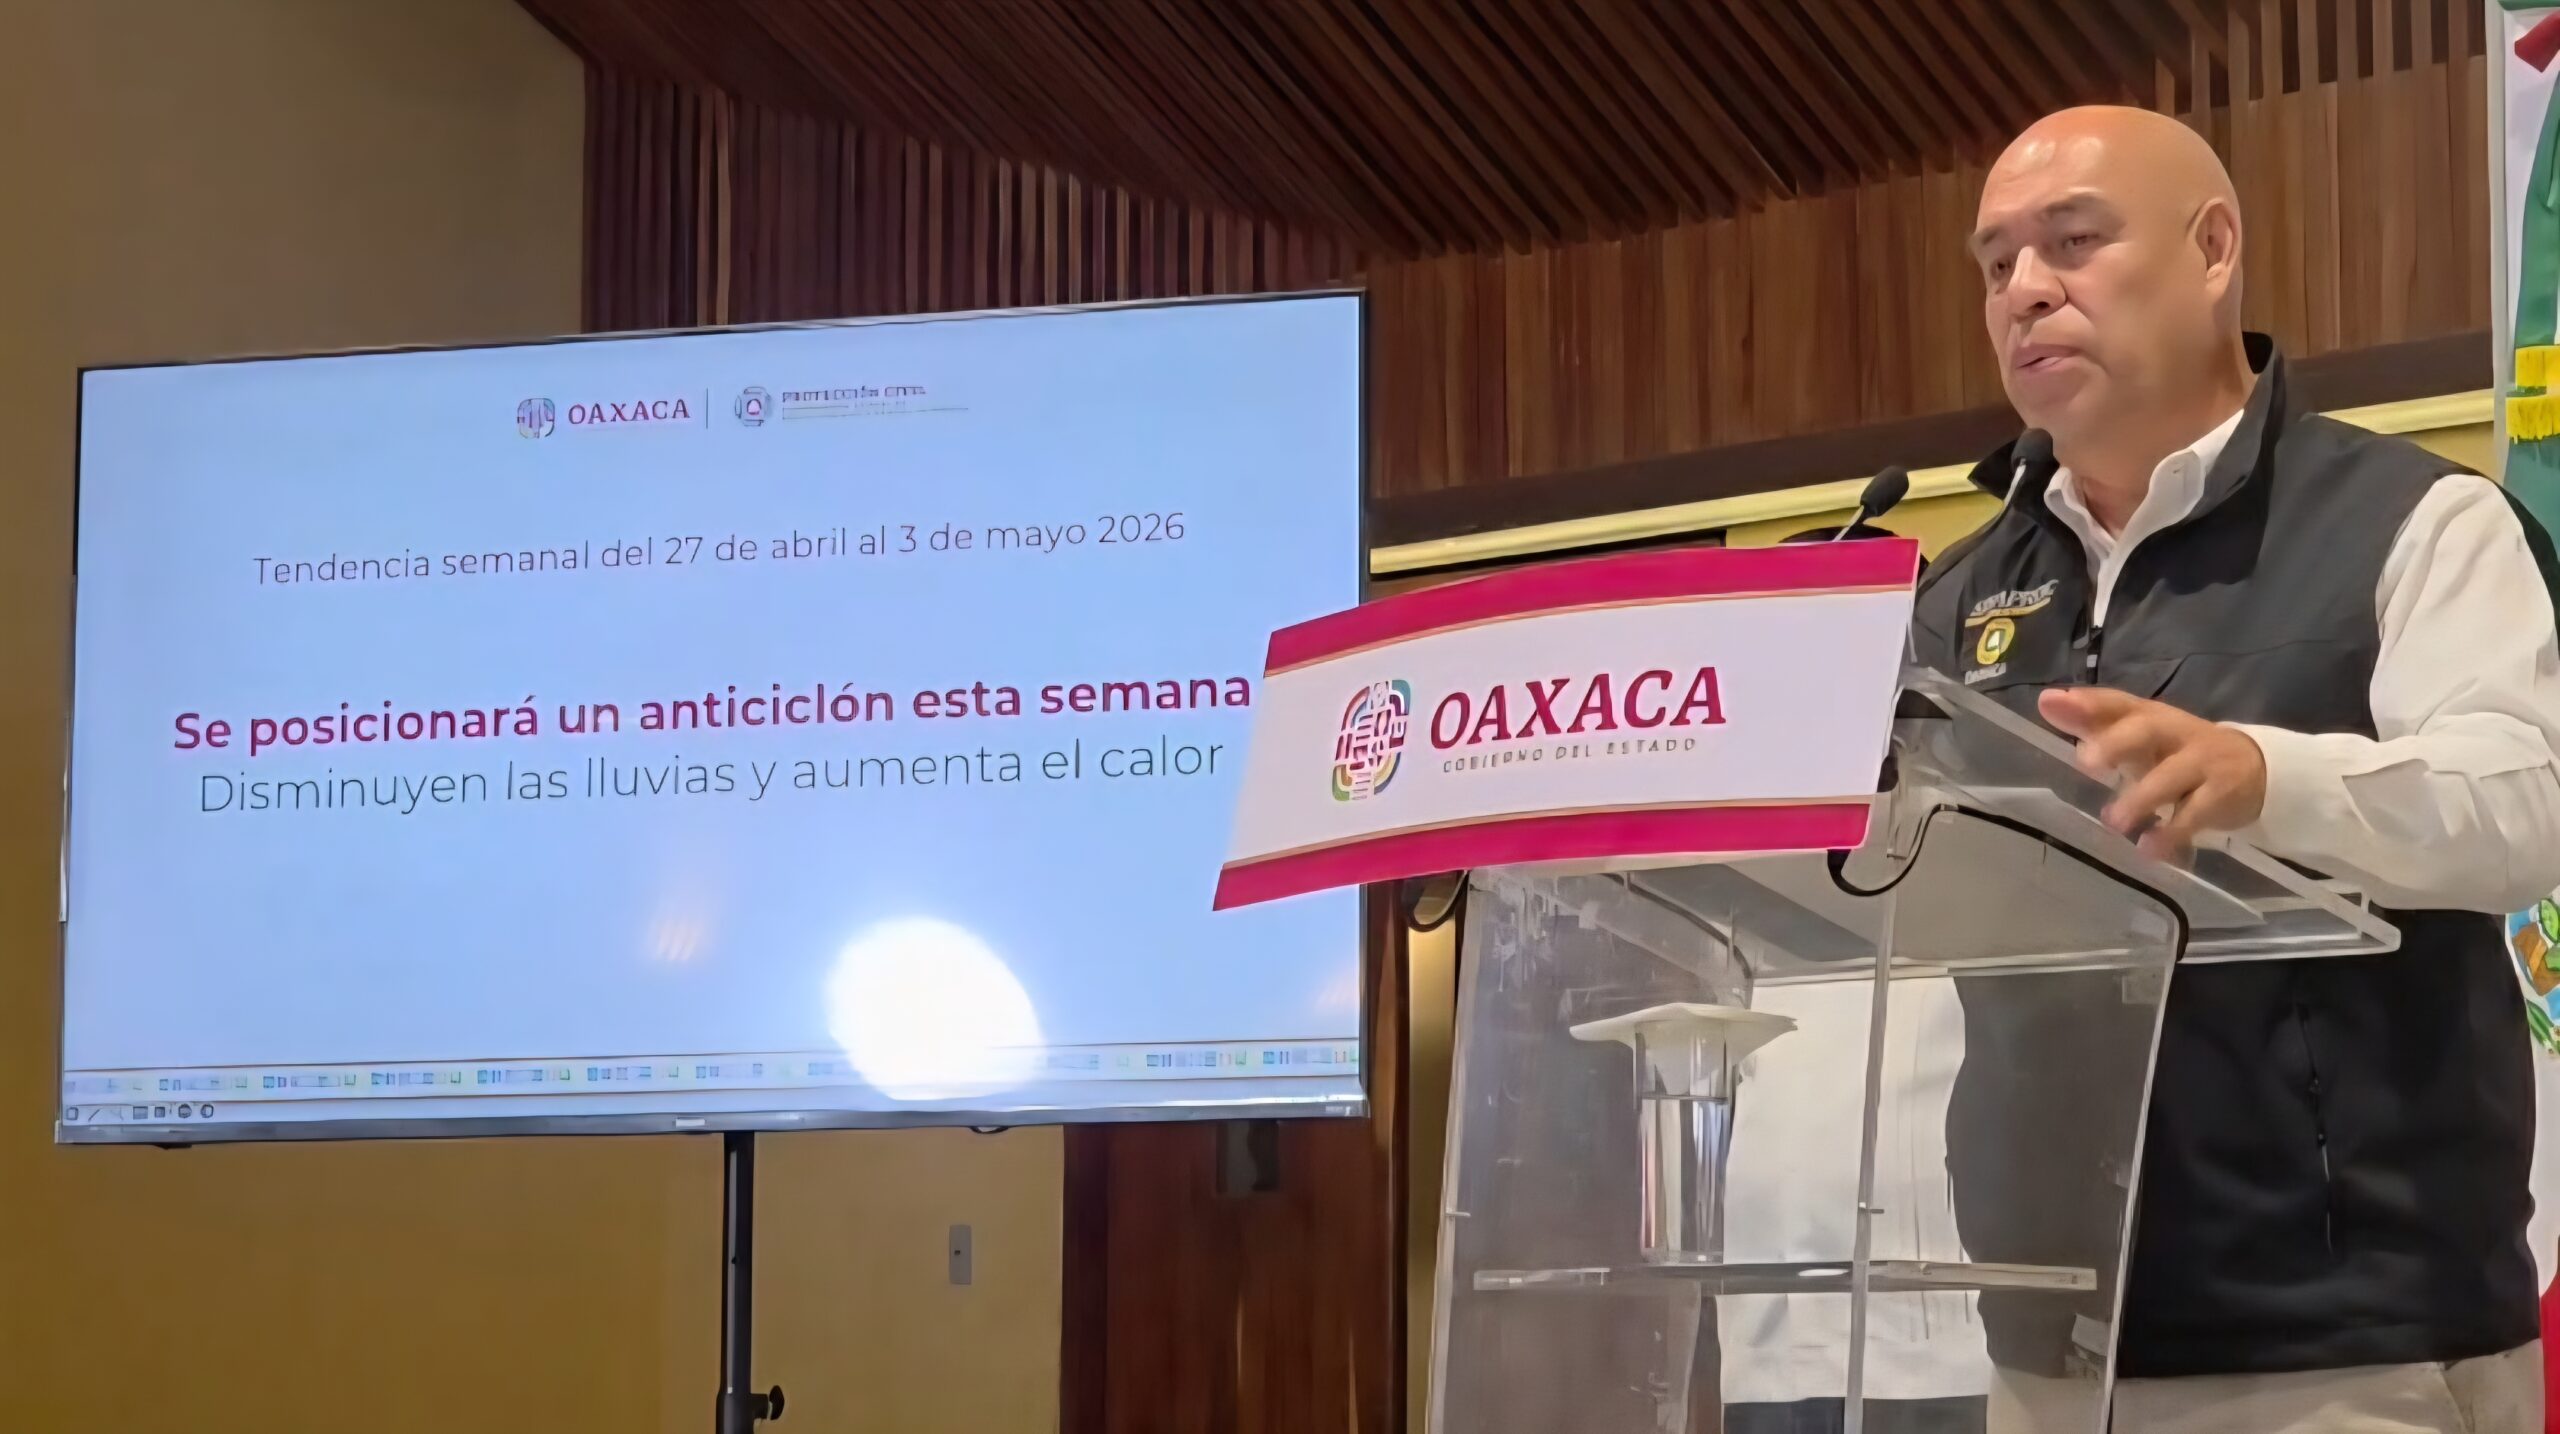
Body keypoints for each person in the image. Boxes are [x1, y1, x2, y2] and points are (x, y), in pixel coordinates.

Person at [1910, 105, 2560, 1432]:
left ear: (2214, 251)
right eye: (1996, 262)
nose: (2024, 288)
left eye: (2072, 242)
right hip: (2046, 1350)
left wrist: (2270, 779)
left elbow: (2527, 804)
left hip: (2350, 1351)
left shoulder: (2414, 522)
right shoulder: (1955, 594)